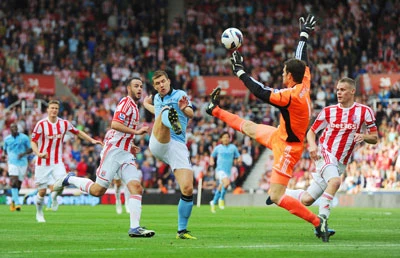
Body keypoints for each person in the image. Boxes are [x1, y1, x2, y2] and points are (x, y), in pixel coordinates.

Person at [207, 15, 331, 242]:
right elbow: (300, 58)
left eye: (284, 72)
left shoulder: (290, 96)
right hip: (280, 134)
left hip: (289, 148)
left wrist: (241, 73)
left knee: (275, 196)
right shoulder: (304, 80)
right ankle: (214, 110)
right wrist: (303, 34)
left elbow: (261, 92)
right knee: (250, 129)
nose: (282, 74)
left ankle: (317, 221)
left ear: (290, 77)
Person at [54, 78, 155, 237]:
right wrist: (135, 133)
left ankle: (134, 228)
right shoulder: (125, 103)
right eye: (136, 86)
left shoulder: (135, 107)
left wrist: (130, 144)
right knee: (97, 190)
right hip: (114, 152)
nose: (139, 89)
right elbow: (115, 124)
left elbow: (122, 132)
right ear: (128, 88)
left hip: (126, 154)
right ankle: (69, 179)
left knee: (136, 187)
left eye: (141, 86)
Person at [280, 77, 378, 237]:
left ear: (352, 91)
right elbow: (311, 131)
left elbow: (374, 137)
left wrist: (363, 136)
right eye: (338, 89)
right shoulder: (328, 111)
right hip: (325, 153)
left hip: (340, 163)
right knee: (335, 181)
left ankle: (281, 193)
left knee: (307, 200)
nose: (339, 92)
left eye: (343, 90)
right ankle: (322, 222)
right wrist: (312, 146)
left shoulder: (364, 111)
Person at [143, 70, 196, 240]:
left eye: (163, 82)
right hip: (159, 142)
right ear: (154, 86)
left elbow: (191, 113)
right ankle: (172, 123)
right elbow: (156, 110)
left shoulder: (180, 94)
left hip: (177, 145)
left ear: (168, 81)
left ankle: (182, 230)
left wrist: (183, 109)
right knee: (164, 110)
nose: (161, 85)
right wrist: (145, 105)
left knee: (187, 188)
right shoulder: (158, 99)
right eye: (157, 84)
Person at [31, 100, 103, 222]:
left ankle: (54, 197)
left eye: (56, 108)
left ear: (58, 110)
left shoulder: (64, 124)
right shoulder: (41, 124)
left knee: (62, 184)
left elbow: (77, 132)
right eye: (51, 108)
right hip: (42, 162)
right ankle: (39, 213)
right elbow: (33, 141)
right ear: (47, 110)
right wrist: (39, 153)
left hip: (57, 161)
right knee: (42, 191)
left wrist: (91, 140)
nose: (53, 110)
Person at [3, 123, 32, 211]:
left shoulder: (24, 138)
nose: (14, 129)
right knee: (14, 181)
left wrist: (23, 154)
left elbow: (30, 149)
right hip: (12, 162)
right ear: (10, 129)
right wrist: (7, 157)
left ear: (17, 128)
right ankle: (17, 203)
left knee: (18, 184)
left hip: (23, 163)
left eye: (16, 127)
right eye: (12, 127)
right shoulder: (7, 139)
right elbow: (5, 150)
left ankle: (13, 200)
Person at [209, 132, 241, 213]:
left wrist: (239, 159)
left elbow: (238, 156)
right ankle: (221, 199)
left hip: (228, 171)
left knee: (221, 186)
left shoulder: (233, 147)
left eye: (227, 137)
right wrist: (212, 161)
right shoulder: (218, 148)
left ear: (229, 139)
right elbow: (212, 156)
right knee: (226, 183)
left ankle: (213, 202)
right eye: (224, 137)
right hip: (220, 170)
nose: (226, 139)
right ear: (221, 139)